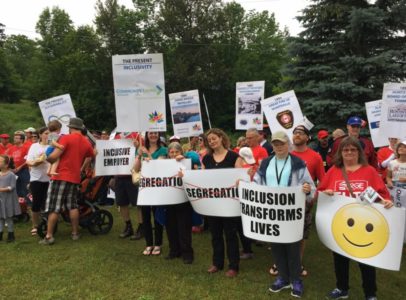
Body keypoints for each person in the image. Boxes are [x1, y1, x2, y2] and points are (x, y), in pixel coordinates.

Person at [317, 136, 392, 300]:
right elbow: (320, 191)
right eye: (345, 150)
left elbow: (382, 194)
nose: (349, 152)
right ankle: (342, 288)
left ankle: (370, 293)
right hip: (339, 225)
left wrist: (385, 202)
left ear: (359, 152)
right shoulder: (334, 171)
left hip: (365, 226)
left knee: (366, 261)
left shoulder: (369, 171)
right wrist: (325, 193)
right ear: (340, 153)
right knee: (340, 259)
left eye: (353, 149)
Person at [252, 131, 315, 298]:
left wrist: (307, 190)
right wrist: (246, 186)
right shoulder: (265, 163)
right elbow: (256, 184)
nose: (279, 146)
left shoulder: (298, 163)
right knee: (277, 247)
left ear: (289, 145)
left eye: (282, 143)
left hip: (291, 214)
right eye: (276, 144)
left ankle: (296, 280)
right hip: (272, 213)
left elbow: (311, 187)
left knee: (293, 248)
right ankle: (283, 278)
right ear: (272, 146)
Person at [39, 117, 95, 245]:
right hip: (75, 178)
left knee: (54, 207)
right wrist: (82, 168)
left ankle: (49, 236)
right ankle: (75, 233)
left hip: (60, 176)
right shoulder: (86, 142)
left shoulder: (66, 138)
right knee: (73, 206)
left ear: (70, 128)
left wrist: (46, 156)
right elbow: (91, 155)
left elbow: (53, 158)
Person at [202, 128, 244, 278]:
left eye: (214, 138)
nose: (212, 142)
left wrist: (242, 180)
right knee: (215, 234)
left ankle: (233, 266)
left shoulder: (234, 156)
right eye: (209, 140)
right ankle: (217, 263)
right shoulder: (206, 159)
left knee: (230, 234)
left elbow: (241, 176)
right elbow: (201, 178)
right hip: (213, 203)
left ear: (221, 138)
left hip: (230, 203)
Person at [290, 125, 325, 277]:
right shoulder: (286, 154)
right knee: (284, 232)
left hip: (305, 201)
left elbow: (322, 181)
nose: (297, 135)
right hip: (285, 201)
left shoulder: (315, 156)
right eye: (295, 133)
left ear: (307, 137)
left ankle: (297, 262)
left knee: (301, 233)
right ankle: (280, 261)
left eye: (300, 133)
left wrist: (314, 199)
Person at [133, 131, 167, 256]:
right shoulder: (141, 149)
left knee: (157, 215)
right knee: (145, 216)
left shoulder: (163, 150)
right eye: (150, 133)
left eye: (155, 133)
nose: (153, 135)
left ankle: (158, 244)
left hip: (157, 187)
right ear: (146, 135)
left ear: (158, 135)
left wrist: (148, 155)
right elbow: (136, 169)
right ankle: (149, 244)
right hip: (144, 188)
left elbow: (159, 167)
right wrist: (138, 156)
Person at [165, 142, 194, 264]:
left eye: (176, 151)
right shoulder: (164, 164)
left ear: (181, 152)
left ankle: (187, 253)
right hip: (168, 200)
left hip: (183, 200)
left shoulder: (186, 162)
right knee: (170, 227)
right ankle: (174, 250)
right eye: (171, 152)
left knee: (184, 227)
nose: (174, 154)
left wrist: (184, 161)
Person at [115, 132, 143, 240]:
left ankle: (141, 227)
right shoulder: (117, 137)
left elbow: (143, 152)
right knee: (122, 203)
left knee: (138, 203)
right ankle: (128, 226)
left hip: (133, 175)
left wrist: (138, 147)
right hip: (119, 175)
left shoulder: (137, 135)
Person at [26, 127, 50, 236]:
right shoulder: (34, 146)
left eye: (49, 133)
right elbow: (28, 161)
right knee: (36, 203)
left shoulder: (52, 146)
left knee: (47, 203)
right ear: (40, 135)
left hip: (50, 178)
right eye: (45, 133)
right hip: (36, 178)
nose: (47, 135)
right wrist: (36, 162)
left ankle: (48, 224)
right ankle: (35, 225)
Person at [0, 155, 21, 242]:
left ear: (6, 165)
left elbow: (12, 187)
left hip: (8, 200)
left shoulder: (11, 175)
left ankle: (11, 235)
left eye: (0, 161)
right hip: (1, 200)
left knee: (9, 218)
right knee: (0, 218)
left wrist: (2, 189)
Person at [6, 131, 30, 198]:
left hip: (24, 170)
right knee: (16, 187)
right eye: (14, 138)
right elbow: (7, 159)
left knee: (26, 187)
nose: (14, 139)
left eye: (17, 138)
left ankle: (28, 204)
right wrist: (10, 168)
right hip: (13, 171)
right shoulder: (11, 148)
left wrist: (20, 167)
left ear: (21, 140)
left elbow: (28, 159)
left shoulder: (26, 148)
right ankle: (19, 204)